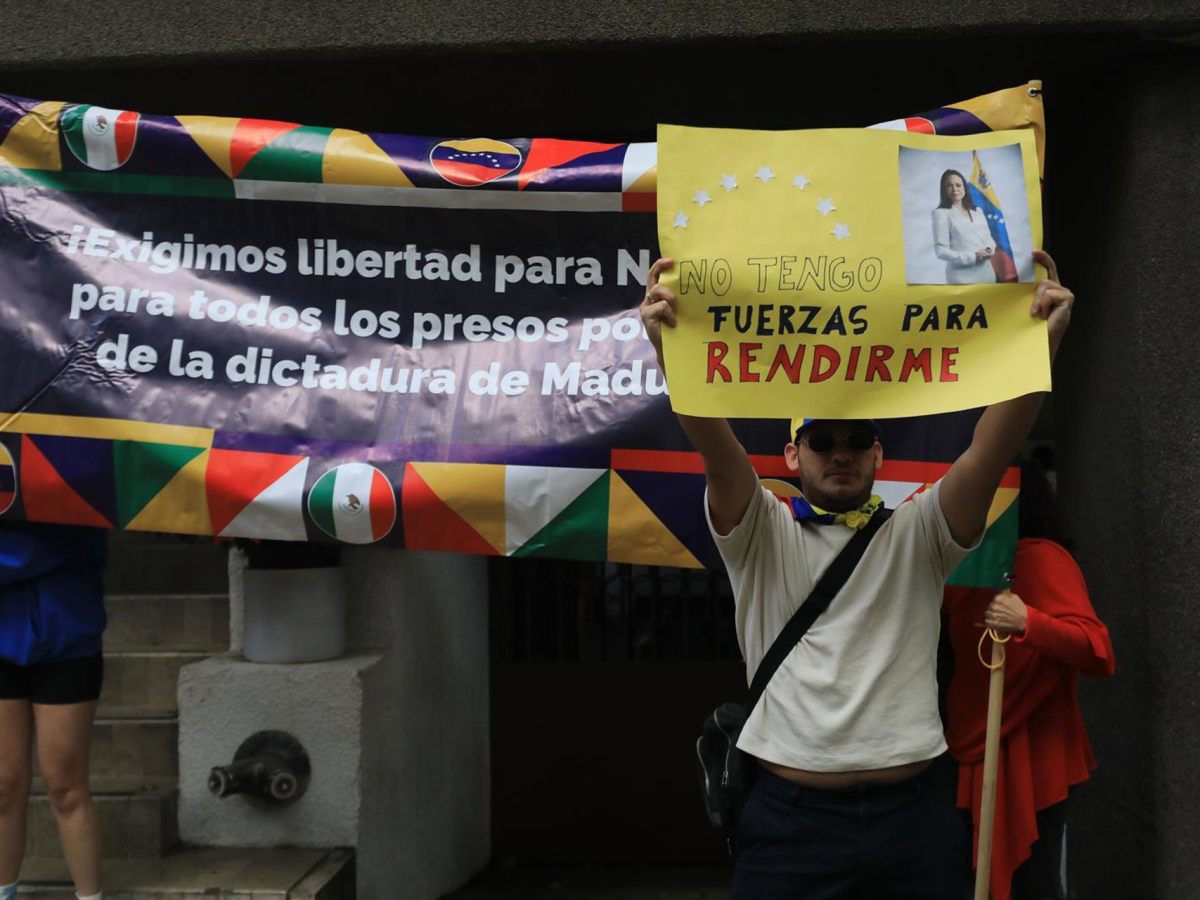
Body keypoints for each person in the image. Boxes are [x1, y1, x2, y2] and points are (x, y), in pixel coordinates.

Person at [639, 249, 1074, 899]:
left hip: (914, 821)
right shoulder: (762, 532)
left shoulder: (919, 532)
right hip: (789, 826)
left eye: (855, 440)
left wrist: (1039, 349)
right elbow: (715, 445)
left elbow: (991, 449)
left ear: (878, 453)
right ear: (793, 455)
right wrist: (673, 349)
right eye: (822, 441)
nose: (839, 453)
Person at [943, 461, 1114, 900]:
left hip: (1033, 748)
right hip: (968, 742)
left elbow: (1096, 648)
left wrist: (1028, 622)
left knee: (1034, 884)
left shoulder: (1043, 557)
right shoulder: (964, 568)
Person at [0, 520, 108, 900]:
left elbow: (63, 543)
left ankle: (90, 896)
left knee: (65, 786)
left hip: (68, 637)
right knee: (3, 786)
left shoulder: (78, 487)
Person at [932, 168, 997, 284]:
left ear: (964, 187)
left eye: (958, 185)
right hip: (962, 278)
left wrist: (988, 250)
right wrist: (973, 256)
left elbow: (989, 239)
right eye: (949, 186)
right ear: (944, 189)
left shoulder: (978, 211)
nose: (955, 189)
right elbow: (940, 251)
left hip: (987, 274)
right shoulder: (941, 213)